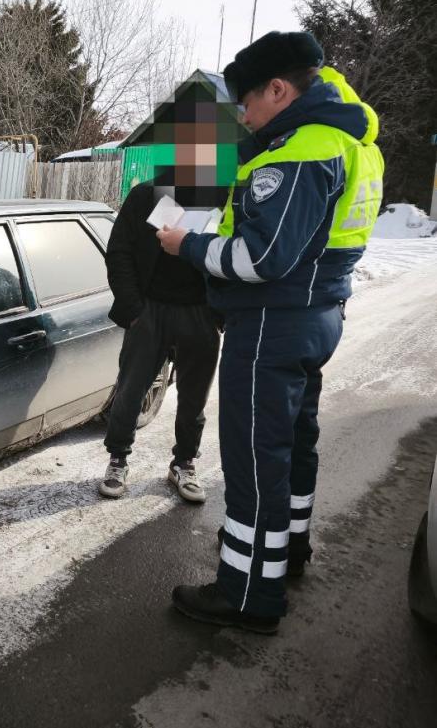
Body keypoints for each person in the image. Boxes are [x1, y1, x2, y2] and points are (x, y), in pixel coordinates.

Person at [157, 31, 384, 633]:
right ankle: (288, 553)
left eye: (248, 102)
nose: (244, 116)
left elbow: (260, 259)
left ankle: (247, 593)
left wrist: (190, 245)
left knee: (256, 459)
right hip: (318, 313)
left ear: (279, 89)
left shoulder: (300, 151)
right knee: (294, 444)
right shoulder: (350, 142)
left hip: (273, 325)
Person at [99, 85, 238, 503]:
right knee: (130, 392)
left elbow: (234, 255)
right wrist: (133, 307)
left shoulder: (227, 198)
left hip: (200, 313)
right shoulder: (148, 195)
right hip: (151, 312)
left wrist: (221, 313)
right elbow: (119, 251)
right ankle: (118, 460)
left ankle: (184, 464)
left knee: (193, 400)